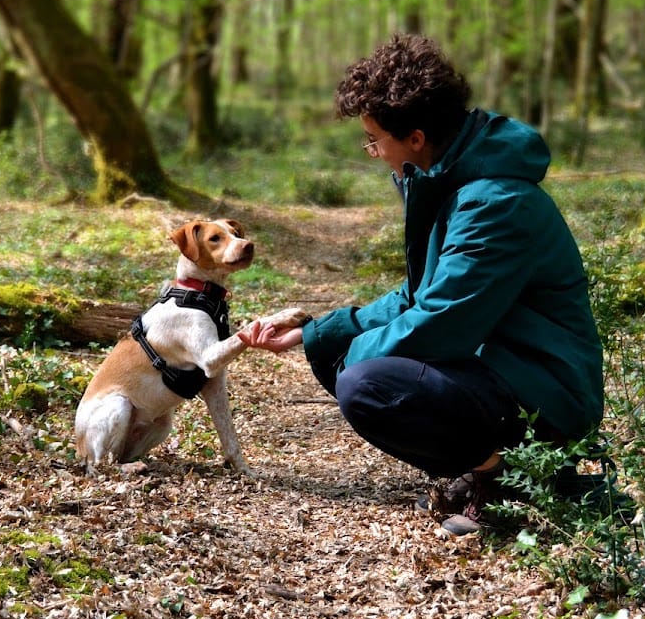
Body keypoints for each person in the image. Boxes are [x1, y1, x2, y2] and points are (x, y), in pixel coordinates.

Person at [240, 33, 605, 534]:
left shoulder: (492, 202)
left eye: (375, 141)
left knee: (366, 383)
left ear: (414, 138)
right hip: (502, 368)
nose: (373, 153)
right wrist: (316, 334)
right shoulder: (449, 181)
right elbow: (421, 295)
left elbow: (441, 323)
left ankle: (526, 480)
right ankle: (491, 470)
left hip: (546, 390)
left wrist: (355, 354)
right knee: (337, 353)